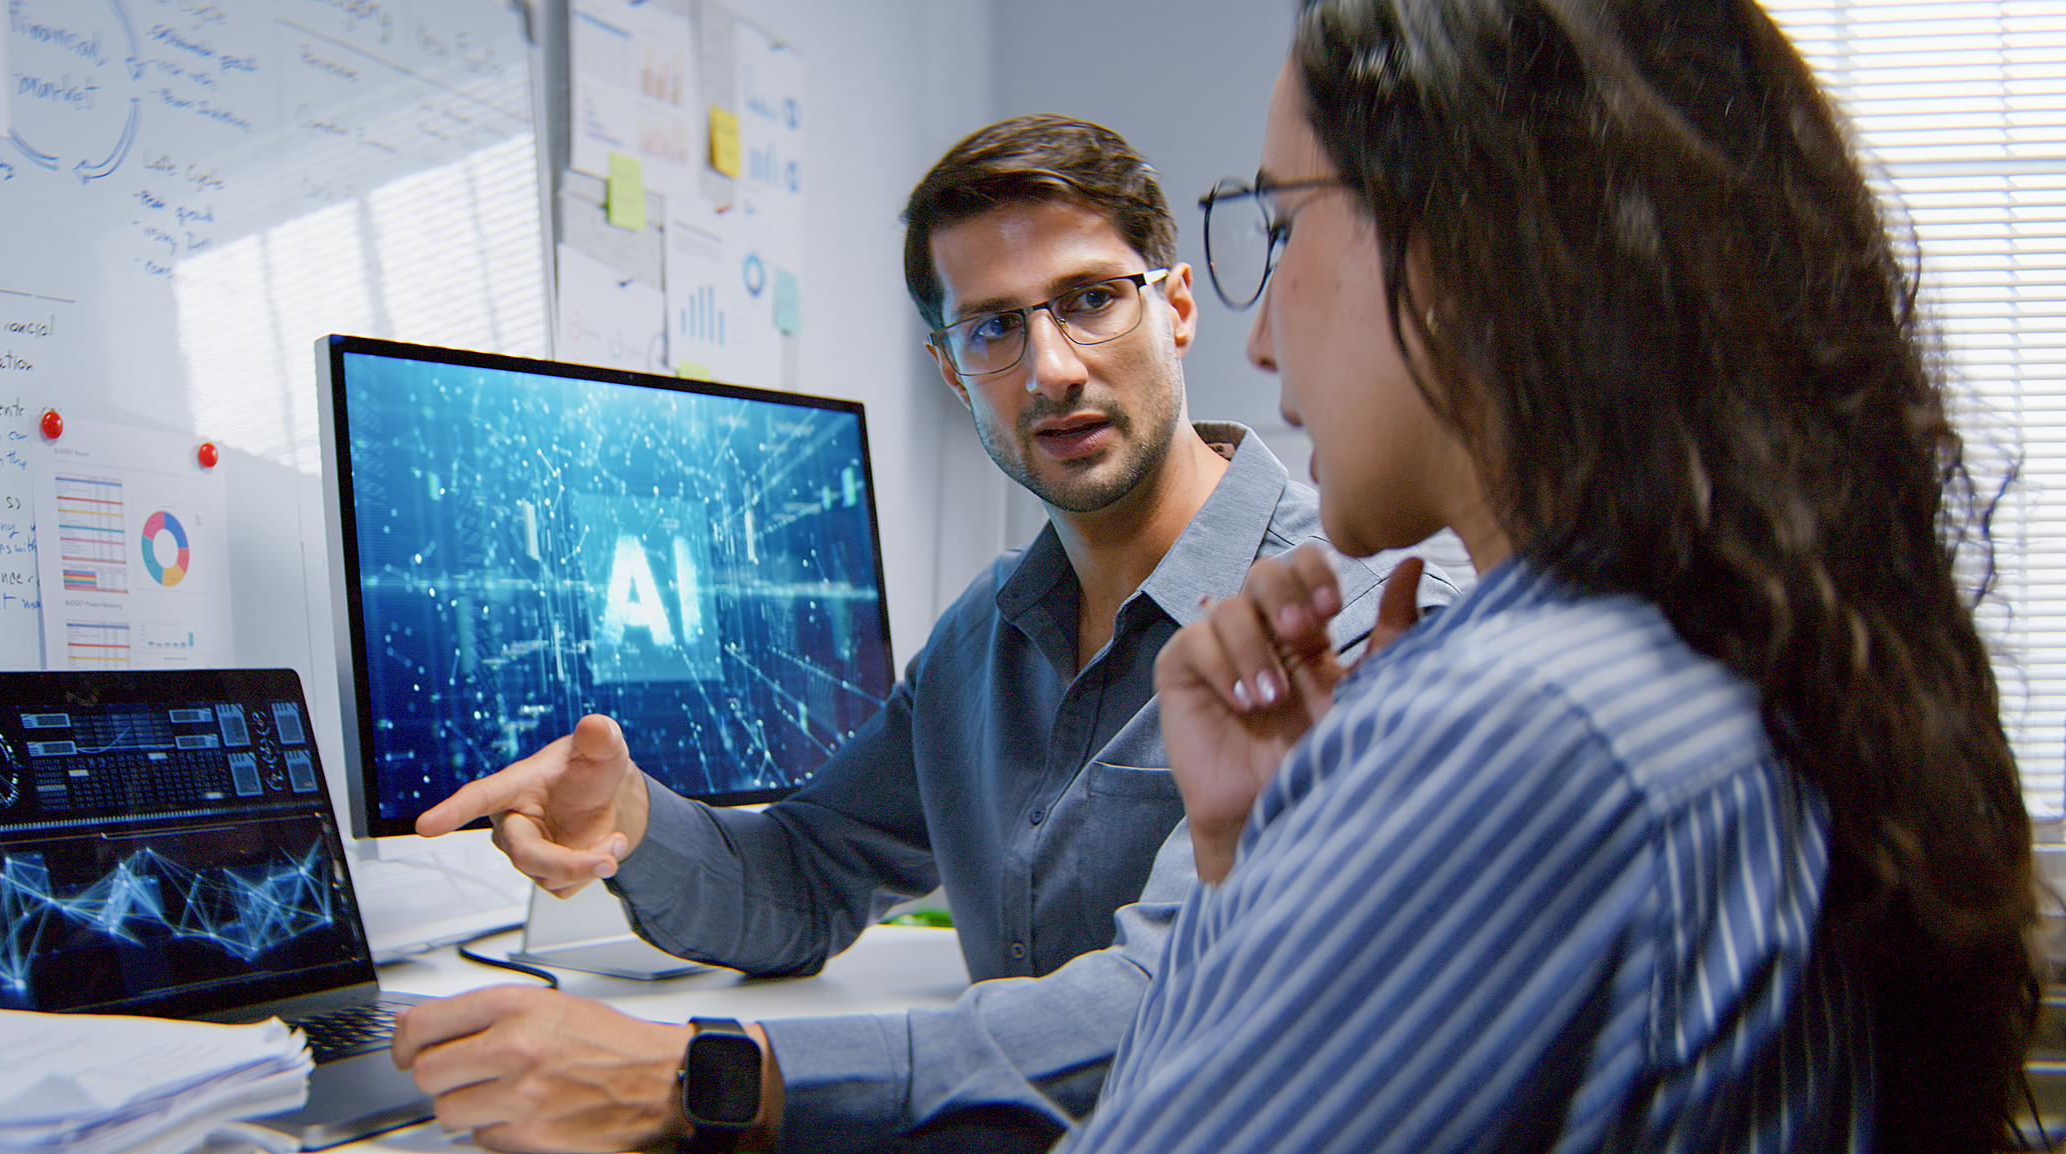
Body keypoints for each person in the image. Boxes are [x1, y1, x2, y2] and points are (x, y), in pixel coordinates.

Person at [1048, 0, 2039, 1150]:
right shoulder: (1715, 646)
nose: (1259, 336)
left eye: (1280, 226)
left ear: (1471, 232)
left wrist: (1364, 814)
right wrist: (1260, 851)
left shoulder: (1519, 722)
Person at [387, 115, 1454, 1154]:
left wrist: (697, 1077)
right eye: (992, 327)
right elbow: (802, 877)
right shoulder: (981, 638)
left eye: (1088, 300)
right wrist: (625, 815)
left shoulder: (1358, 618)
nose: (1050, 368)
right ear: (951, 371)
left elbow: (1174, 999)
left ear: (1176, 307)